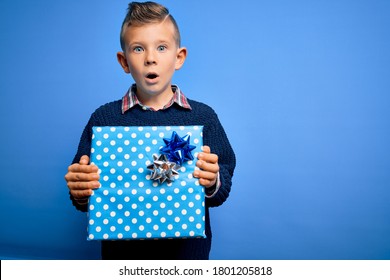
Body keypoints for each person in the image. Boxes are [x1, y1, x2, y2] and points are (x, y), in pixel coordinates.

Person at [65, 1, 235, 260]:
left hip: (186, 258)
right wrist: (80, 188)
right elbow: (85, 191)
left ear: (179, 57)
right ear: (124, 61)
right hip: (122, 259)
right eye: (138, 48)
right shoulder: (103, 119)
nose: (151, 58)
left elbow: (223, 178)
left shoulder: (203, 117)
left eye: (162, 47)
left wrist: (212, 180)